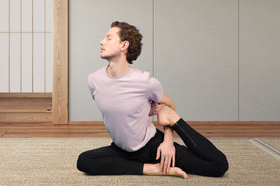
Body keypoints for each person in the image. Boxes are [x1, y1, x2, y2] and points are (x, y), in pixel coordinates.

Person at [77, 21, 228, 179]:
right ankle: (153, 169)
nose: (101, 41)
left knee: (218, 166)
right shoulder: (94, 80)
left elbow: (168, 105)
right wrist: (144, 110)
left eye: (108, 38)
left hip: (151, 147)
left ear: (124, 45)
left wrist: (168, 141)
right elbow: (118, 110)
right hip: (120, 149)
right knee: (84, 161)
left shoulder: (145, 81)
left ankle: (177, 121)